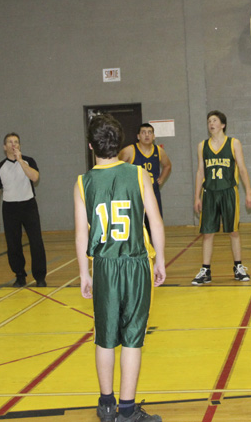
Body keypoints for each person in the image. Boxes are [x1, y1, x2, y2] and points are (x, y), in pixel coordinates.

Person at [74, 114, 166, 422]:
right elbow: (155, 221)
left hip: (104, 266)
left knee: (104, 336)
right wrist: (161, 259)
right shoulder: (138, 174)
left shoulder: (83, 182)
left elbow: (81, 233)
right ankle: (126, 412)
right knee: (132, 337)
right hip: (135, 262)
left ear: (91, 146)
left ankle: (106, 405)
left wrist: (84, 273)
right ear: (121, 143)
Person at [191, 110, 251, 285]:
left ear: (222, 124)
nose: (211, 124)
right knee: (207, 233)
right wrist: (196, 197)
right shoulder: (202, 146)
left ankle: (238, 267)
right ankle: (205, 270)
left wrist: (248, 191)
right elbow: (200, 172)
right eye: (209, 121)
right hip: (209, 193)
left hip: (228, 192)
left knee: (233, 231)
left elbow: (242, 169)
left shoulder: (234, 143)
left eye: (214, 120)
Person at [0, 133, 47, 287]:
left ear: (19, 146)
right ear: (5, 147)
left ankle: (40, 277)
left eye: (16, 142)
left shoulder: (29, 161)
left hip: (29, 206)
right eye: (10, 142)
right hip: (10, 208)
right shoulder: (0, 168)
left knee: (36, 242)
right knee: (13, 244)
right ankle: (20, 275)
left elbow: (35, 178)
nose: (13, 144)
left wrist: (21, 161)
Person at [119, 123, 172, 236]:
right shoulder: (129, 151)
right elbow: (117, 168)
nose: (147, 135)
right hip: (135, 195)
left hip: (153, 194)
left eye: (150, 132)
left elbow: (167, 165)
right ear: (138, 136)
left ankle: (153, 251)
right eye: (143, 132)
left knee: (154, 226)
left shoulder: (159, 151)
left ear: (154, 136)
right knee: (135, 228)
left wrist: (162, 178)